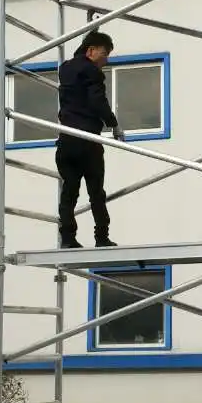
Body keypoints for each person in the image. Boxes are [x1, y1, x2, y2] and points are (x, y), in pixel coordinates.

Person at [55, 29, 124, 248]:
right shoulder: (92, 72)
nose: (106, 60)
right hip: (87, 140)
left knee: (69, 191)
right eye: (105, 54)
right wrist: (114, 124)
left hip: (66, 140)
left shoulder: (65, 69)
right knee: (96, 192)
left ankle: (67, 238)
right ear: (91, 51)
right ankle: (101, 237)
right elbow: (97, 101)